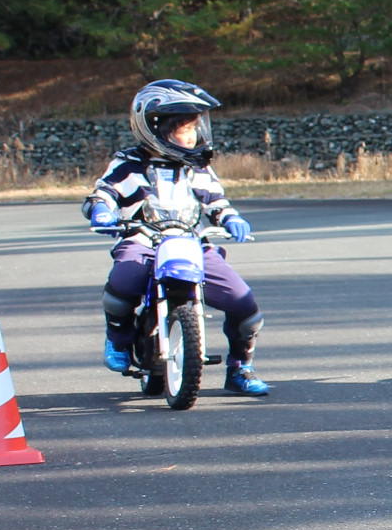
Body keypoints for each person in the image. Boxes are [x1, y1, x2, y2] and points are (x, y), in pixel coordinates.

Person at [82, 79, 269, 396]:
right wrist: (101, 210)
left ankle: (240, 368)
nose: (194, 135)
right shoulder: (130, 164)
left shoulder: (198, 168)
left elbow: (215, 203)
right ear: (156, 128)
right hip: (144, 240)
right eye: (185, 129)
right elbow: (103, 194)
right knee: (124, 279)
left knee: (245, 305)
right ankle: (119, 339)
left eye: (196, 128)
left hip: (192, 243)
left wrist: (232, 218)